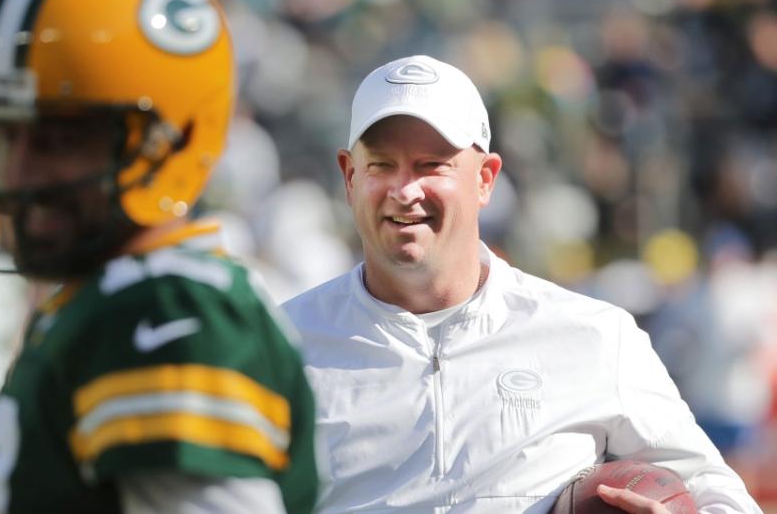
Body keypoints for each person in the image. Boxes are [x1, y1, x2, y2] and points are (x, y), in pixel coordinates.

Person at [282, 55, 762, 513]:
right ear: (348, 176)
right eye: (382, 165)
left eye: (432, 165)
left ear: (486, 179)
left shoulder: (593, 336)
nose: (405, 191)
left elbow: (718, 495)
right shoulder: (281, 348)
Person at [0, 0, 317, 513]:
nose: (18, 173)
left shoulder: (163, 310)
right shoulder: (110, 299)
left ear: (172, 140)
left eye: (58, 139)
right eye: (2, 135)